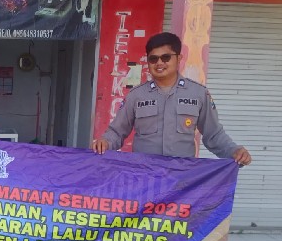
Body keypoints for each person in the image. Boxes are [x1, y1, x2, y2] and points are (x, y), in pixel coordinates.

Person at [92, 32, 252, 166]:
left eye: (166, 57)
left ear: (179, 58)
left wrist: (233, 151)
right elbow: (117, 132)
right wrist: (105, 142)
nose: (159, 63)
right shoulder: (136, 96)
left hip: (182, 178)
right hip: (145, 176)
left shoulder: (198, 94)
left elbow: (214, 134)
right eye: (153, 59)